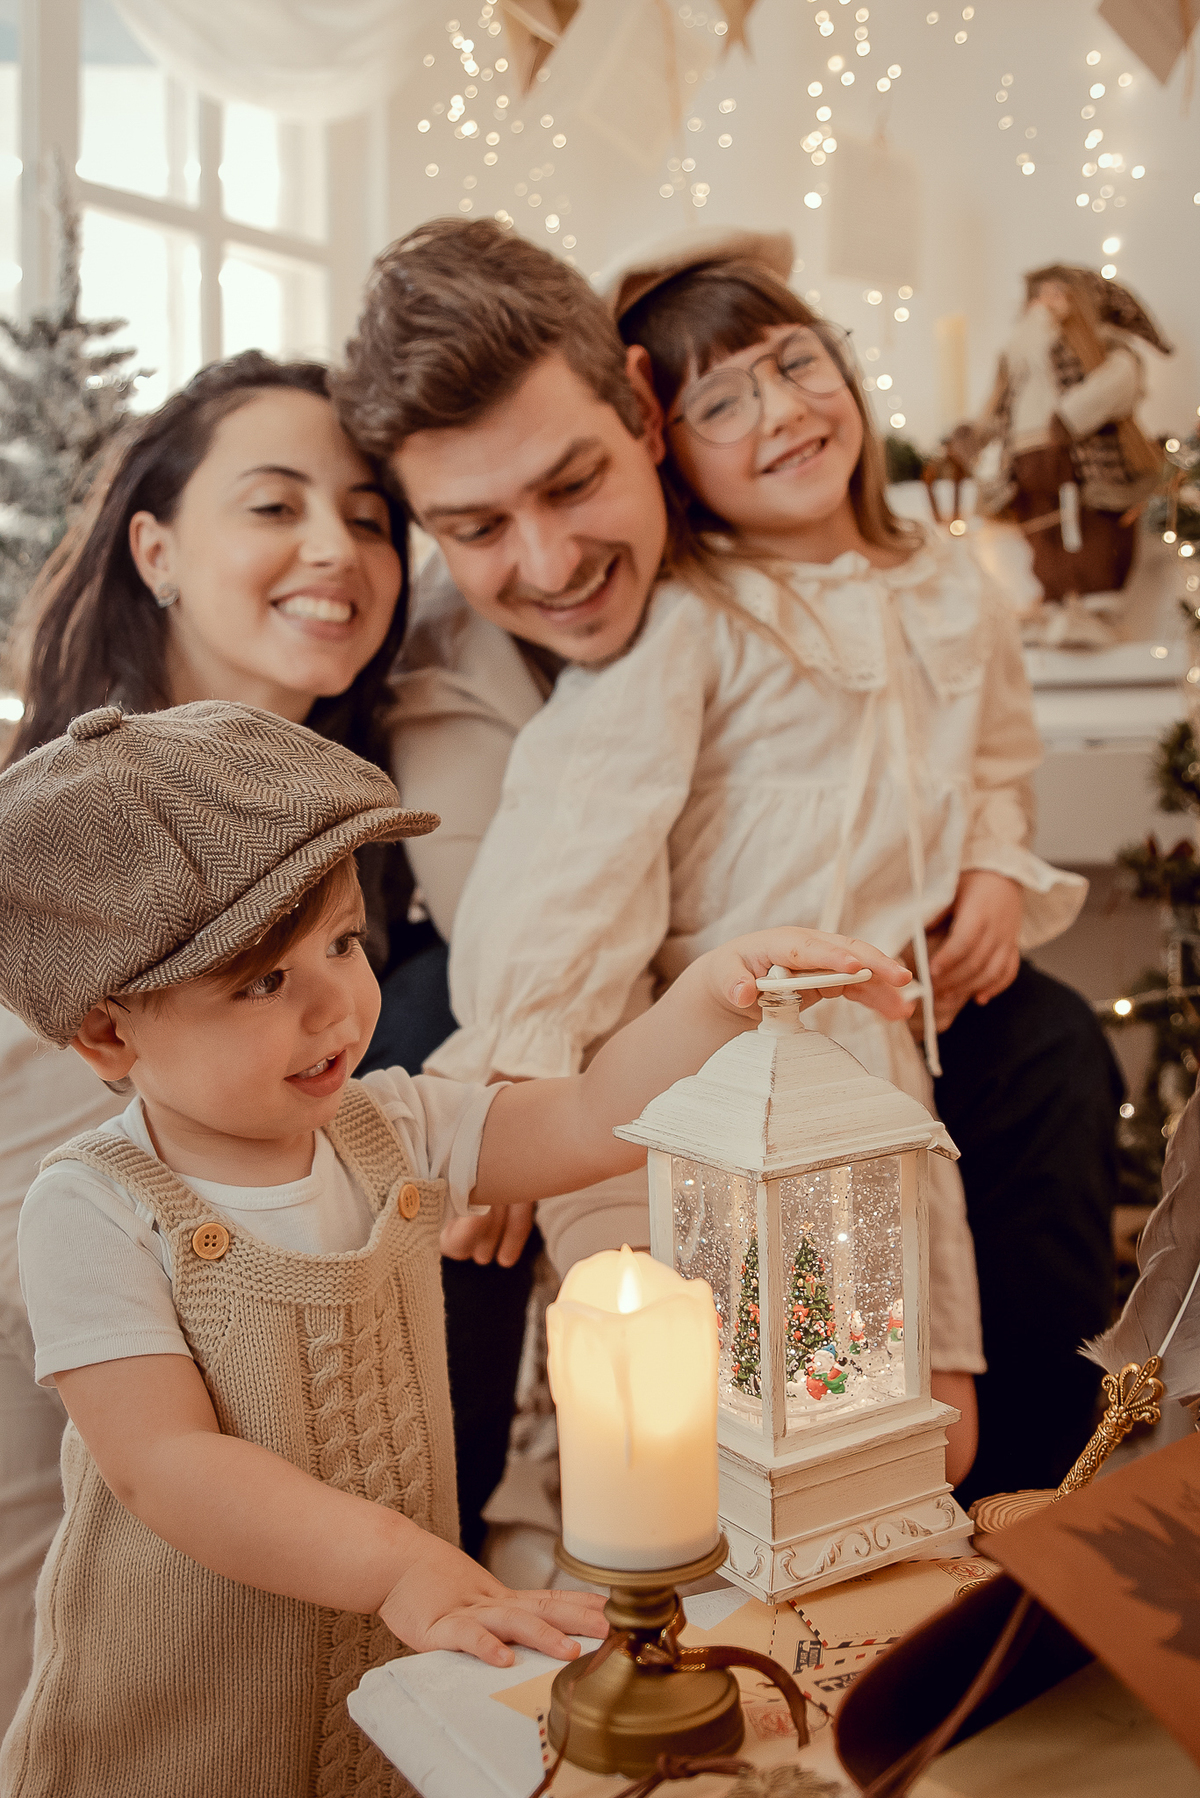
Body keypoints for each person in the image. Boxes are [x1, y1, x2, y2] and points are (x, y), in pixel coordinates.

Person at [335, 219, 1124, 1505]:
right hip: (667, 1048)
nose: (545, 562)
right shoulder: (570, 652)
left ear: (642, 417)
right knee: (444, 1055)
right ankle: (460, 1525)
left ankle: (1027, 1540)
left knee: (947, 1387)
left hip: (874, 1033)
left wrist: (992, 863)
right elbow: (558, 872)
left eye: (572, 483)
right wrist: (510, 1094)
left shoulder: (931, 584)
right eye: (475, 526)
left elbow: (988, 751)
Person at [0, 697, 911, 1797]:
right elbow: (164, 1466)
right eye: (262, 980)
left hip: (389, 1665)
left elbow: (586, 1117)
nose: (336, 1001)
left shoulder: (395, 1126)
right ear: (107, 1032)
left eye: (341, 941)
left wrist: (710, 995)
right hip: (188, 1719)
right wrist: (394, 1561)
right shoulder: (92, 1208)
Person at [0, 352, 523, 1734]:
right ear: (156, 547)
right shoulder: (54, 892)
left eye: (368, 516)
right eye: (275, 505)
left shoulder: (365, 844)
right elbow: (59, 1444)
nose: (337, 551)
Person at [948, 264, 1171, 647]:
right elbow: (999, 408)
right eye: (1039, 294)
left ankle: (1096, 609)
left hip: (1084, 460)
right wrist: (976, 435)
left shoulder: (1100, 345)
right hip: (1026, 462)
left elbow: (1120, 379)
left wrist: (1073, 415)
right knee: (1041, 531)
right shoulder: (1017, 357)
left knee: (1092, 527)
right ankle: (1053, 605)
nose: (1045, 303)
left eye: (1057, 293)